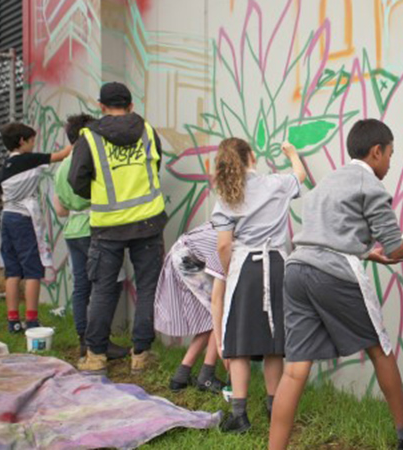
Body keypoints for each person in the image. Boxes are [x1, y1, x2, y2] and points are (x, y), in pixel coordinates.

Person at [269, 119, 403, 450]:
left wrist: (366, 253)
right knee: (381, 351)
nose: (391, 162)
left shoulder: (328, 182)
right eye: (390, 154)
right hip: (333, 274)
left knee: (294, 372)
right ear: (376, 151)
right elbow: (396, 246)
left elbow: (329, 234)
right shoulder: (371, 186)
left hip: (297, 269)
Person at [70, 82, 167, 375]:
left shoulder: (89, 137)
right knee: (148, 287)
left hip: (107, 227)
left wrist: (99, 195)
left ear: (101, 106)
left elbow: (77, 180)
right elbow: (156, 165)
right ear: (131, 105)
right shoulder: (148, 131)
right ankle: (141, 354)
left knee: (102, 290)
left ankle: (96, 355)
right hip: (148, 221)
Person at [211, 138, 306, 433]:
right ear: (252, 156)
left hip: (245, 268)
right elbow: (299, 175)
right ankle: (274, 404)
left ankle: (239, 414)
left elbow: (224, 245)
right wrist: (292, 153)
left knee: (238, 344)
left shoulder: (226, 195)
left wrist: (230, 272)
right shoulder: (275, 184)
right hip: (278, 265)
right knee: (273, 344)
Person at [53, 113, 130, 360]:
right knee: (109, 284)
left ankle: (83, 339)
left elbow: (60, 209)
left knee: (81, 286)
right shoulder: (88, 160)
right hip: (94, 227)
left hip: (73, 230)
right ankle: (100, 341)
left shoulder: (61, 166)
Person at [0, 122, 71, 333]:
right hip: (23, 219)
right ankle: (32, 321)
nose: (33, 144)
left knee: (12, 272)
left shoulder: (6, 165)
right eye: (31, 141)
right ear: (22, 141)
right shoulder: (28, 160)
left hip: (8, 217)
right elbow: (62, 154)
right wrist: (80, 138)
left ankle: (13, 321)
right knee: (32, 271)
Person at [154, 222, 228, 394]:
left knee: (213, 316)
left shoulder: (229, 213)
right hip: (187, 258)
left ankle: (181, 376)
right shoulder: (240, 229)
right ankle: (206, 376)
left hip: (185, 253)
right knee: (218, 315)